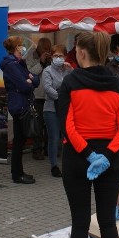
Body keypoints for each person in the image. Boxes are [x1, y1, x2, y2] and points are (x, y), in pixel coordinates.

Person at [57, 31, 119, 238]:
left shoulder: (70, 82)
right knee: (107, 223)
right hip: (110, 163)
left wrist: (88, 155)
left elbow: (67, 125)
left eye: (76, 49)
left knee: (79, 222)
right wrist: (106, 155)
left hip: (77, 159)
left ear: (82, 52)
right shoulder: (118, 85)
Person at [0, 36, 39, 184]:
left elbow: (35, 79)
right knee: (19, 141)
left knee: (21, 140)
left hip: (23, 103)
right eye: (21, 45)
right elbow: (24, 86)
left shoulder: (18, 63)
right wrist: (29, 81)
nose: (23, 48)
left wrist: (30, 80)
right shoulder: (11, 65)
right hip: (19, 106)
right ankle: (17, 174)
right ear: (16, 47)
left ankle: (18, 171)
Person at [41, 44, 71, 177]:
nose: (58, 58)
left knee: (67, 137)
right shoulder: (47, 70)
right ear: (52, 57)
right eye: (55, 56)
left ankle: (67, 164)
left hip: (66, 109)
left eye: (61, 56)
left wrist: (71, 70)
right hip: (51, 109)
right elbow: (47, 88)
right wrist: (61, 97)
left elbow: (77, 82)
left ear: (65, 56)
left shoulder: (67, 70)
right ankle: (54, 165)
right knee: (54, 138)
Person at [25, 37, 53, 161]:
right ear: (39, 48)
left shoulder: (51, 58)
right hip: (37, 96)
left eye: (49, 49)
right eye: (45, 49)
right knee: (37, 125)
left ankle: (48, 148)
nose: (47, 51)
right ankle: (36, 150)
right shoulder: (30, 56)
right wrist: (41, 62)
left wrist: (51, 61)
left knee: (49, 125)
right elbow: (30, 73)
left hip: (49, 96)